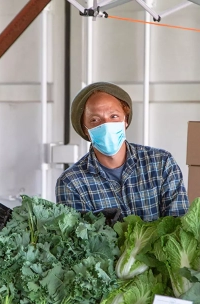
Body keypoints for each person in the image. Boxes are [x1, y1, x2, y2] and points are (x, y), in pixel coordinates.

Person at [56, 82, 189, 221]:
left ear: (125, 120)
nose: (106, 126)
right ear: (85, 130)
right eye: (95, 120)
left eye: (114, 116)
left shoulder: (162, 163)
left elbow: (179, 226)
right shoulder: (71, 183)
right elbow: (79, 240)